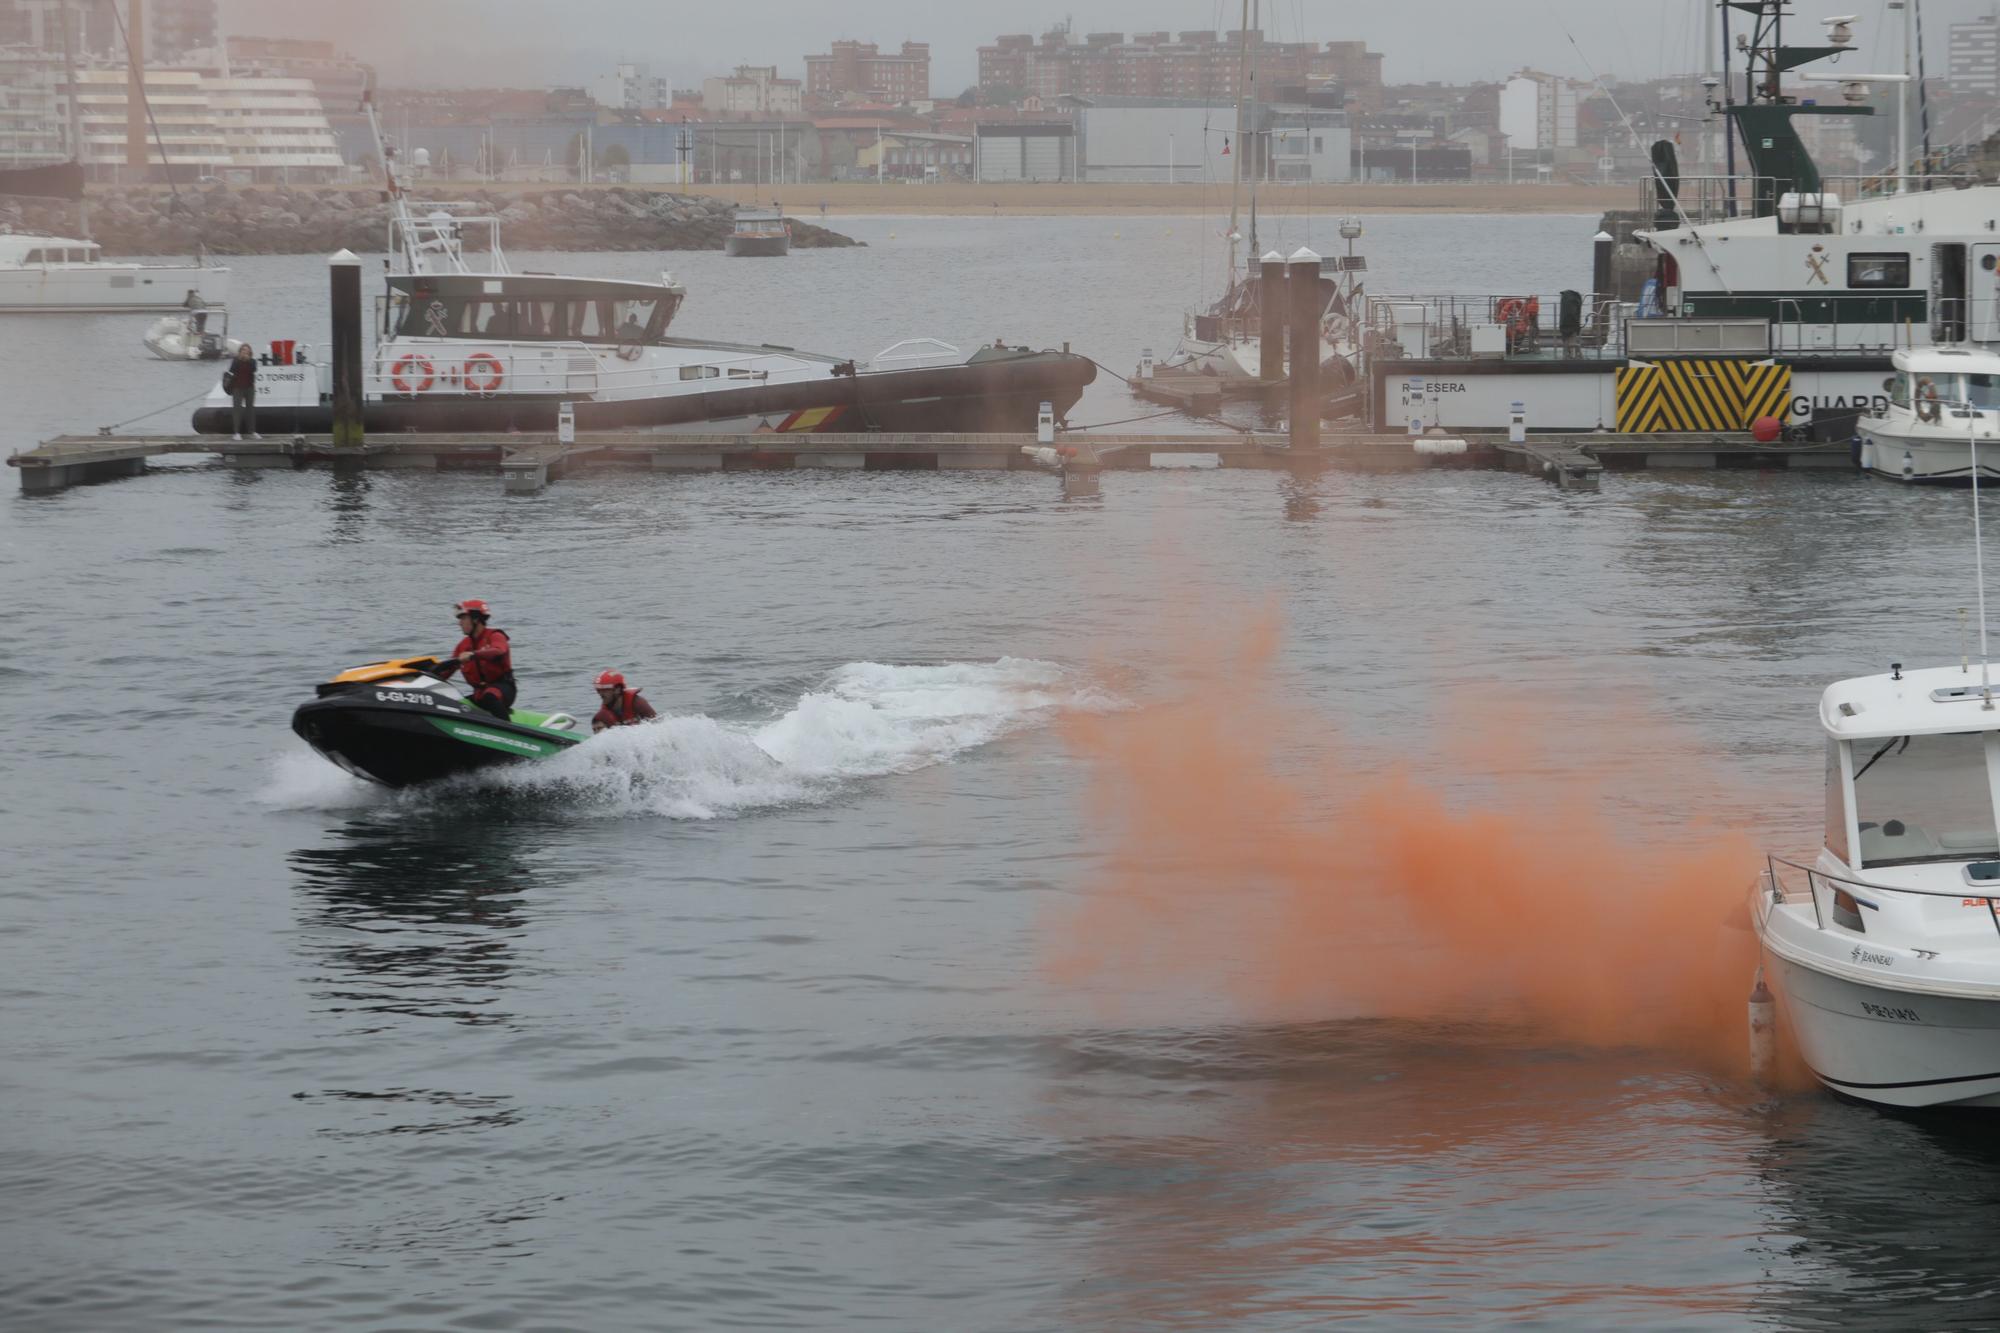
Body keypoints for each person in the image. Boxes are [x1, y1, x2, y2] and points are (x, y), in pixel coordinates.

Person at [437, 599, 516, 720]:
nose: (460, 623)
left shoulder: (495, 636)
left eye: (463, 618)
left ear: (475, 619)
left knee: (489, 696)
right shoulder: (462, 646)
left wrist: (473, 654)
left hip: (503, 689)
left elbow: (499, 650)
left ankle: (509, 731)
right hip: (479, 694)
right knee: (454, 705)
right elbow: (445, 673)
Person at [591, 670, 656, 733]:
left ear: (618, 690)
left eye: (605, 690)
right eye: (598, 690)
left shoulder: (637, 702)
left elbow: (657, 724)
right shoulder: (604, 711)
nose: (600, 694)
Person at [223, 344, 260, 441]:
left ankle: (252, 431)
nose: (245, 351)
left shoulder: (252, 361)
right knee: (237, 410)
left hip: (249, 388)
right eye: (243, 350)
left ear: (250, 352)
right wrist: (240, 359)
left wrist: (248, 360)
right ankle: (236, 433)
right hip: (237, 388)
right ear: (240, 351)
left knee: (250, 409)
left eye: (247, 350)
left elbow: (254, 369)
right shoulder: (236, 360)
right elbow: (232, 370)